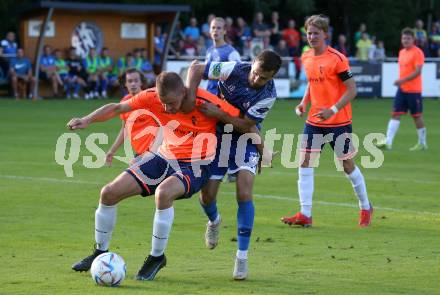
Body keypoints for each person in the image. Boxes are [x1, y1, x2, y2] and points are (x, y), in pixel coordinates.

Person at [69, 71, 260, 281]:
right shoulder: (151, 96)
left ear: (184, 92)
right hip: (163, 157)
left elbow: (246, 123)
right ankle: (100, 252)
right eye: (163, 103)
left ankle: (156, 257)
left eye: (171, 103)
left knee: (163, 194)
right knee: (108, 193)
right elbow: (117, 108)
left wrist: (262, 149)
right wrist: (87, 120)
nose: (167, 108)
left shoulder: (205, 101)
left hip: (198, 164)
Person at [187, 49, 282, 280]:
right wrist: (190, 99)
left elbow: (247, 125)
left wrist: (219, 113)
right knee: (207, 196)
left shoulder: (268, 95)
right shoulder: (234, 69)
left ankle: (242, 257)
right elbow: (196, 68)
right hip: (216, 137)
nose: (257, 80)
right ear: (252, 65)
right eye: (256, 73)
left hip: (244, 139)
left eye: (264, 78)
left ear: (272, 77)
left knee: (244, 192)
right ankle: (214, 220)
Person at [280, 15, 373, 228]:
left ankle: (366, 207)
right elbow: (312, 84)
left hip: (338, 121)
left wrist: (332, 110)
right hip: (314, 121)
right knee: (304, 162)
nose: (311, 37)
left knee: (346, 164)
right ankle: (305, 214)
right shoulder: (306, 57)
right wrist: (303, 103)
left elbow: (352, 90)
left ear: (325, 35)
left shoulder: (337, 59)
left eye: (316, 33)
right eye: (309, 33)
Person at [376, 28, 426, 151]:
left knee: (416, 116)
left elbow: (418, 71)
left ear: (413, 39)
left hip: (414, 90)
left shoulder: (417, 52)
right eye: (404, 38)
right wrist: (402, 82)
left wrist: (402, 80)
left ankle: (422, 143)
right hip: (402, 89)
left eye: (408, 38)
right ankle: (388, 142)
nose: (406, 40)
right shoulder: (402, 52)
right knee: (395, 114)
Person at [105, 68, 158, 166]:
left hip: (156, 152)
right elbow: (125, 129)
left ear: (141, 82)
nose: (133, 84)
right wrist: (112, 151)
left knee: (131, 175)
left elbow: (163, 125)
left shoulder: (150, 99)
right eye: (130, 81)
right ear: (125, 84)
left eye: (136, 80)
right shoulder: (124, 102)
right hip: (140, 152)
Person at [205, 17, 241, 95]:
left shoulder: (231, 52)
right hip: (209, 93)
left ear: (224, 31)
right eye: (213, 27)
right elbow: (206, 74)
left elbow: (238, 73)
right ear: (209, 30)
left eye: (219, 28)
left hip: (222, 97)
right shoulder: (209, 50)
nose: (215, 30)